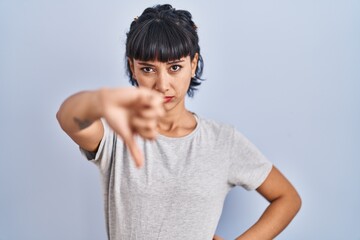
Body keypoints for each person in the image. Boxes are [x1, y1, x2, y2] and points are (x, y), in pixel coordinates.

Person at [56, 4, 301, 240]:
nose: (162, 85)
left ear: (193, 64)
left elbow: (287, 198)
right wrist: (100, 100)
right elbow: (68, 118)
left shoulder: (222, 141)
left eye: (175, 67)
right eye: (148, 69)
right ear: (132, 67)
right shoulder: (117, 133)